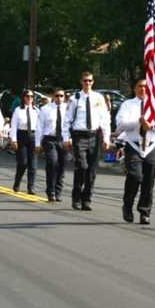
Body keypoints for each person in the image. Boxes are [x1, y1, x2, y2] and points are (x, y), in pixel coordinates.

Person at [116, 79, 155, 224]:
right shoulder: (128, 104)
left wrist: (150, 125)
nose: (143, 89)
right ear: (134, 88)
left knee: (148, 181)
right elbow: (120, 124)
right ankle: (127, 206)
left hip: (152, 146)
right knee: (135, 176)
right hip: (134, 145)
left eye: (146, 86)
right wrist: (138, 122)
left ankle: (144, 212)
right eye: (140, 86)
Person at [63, 71, 111, 211]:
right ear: (81, 82)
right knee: (82, 166)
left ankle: (87, 200)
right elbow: (67, 120)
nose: (87, 83)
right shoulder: (75, 99)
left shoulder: (99, 98)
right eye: (85, 81)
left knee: (91, 170)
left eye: (90, 81)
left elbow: (105, 119)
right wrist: (66, 138)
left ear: (93, 82)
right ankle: (76, 197)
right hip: (79, 136)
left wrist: (106, 138)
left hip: (94, 136)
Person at [36, 89, 68, 202]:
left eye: (61, 96)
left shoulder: (68, 109)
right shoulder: (45, 109)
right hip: (50, 139)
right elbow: (39, 127)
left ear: (64, 97)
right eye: (57, 96)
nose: (59, 98)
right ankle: (51, 191)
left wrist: (70, 139)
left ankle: (58, 191)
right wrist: (37, 143)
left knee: (62, 167)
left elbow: (71, 125)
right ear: (53, 97)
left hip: (64, 140)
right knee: (52, 163)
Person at [10, 90, 39, 194]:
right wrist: (13, 140)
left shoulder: (36, 110)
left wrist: (40, 141)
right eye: (27, 96)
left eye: (32, 96)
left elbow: (39, 127)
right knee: (23, 162)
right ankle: (17, 182)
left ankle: (31, 187)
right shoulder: (18, 110)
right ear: (24, 97)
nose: (30, 98)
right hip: (21, 136)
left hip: (33, 136)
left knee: (33, 163)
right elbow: (13, 126)